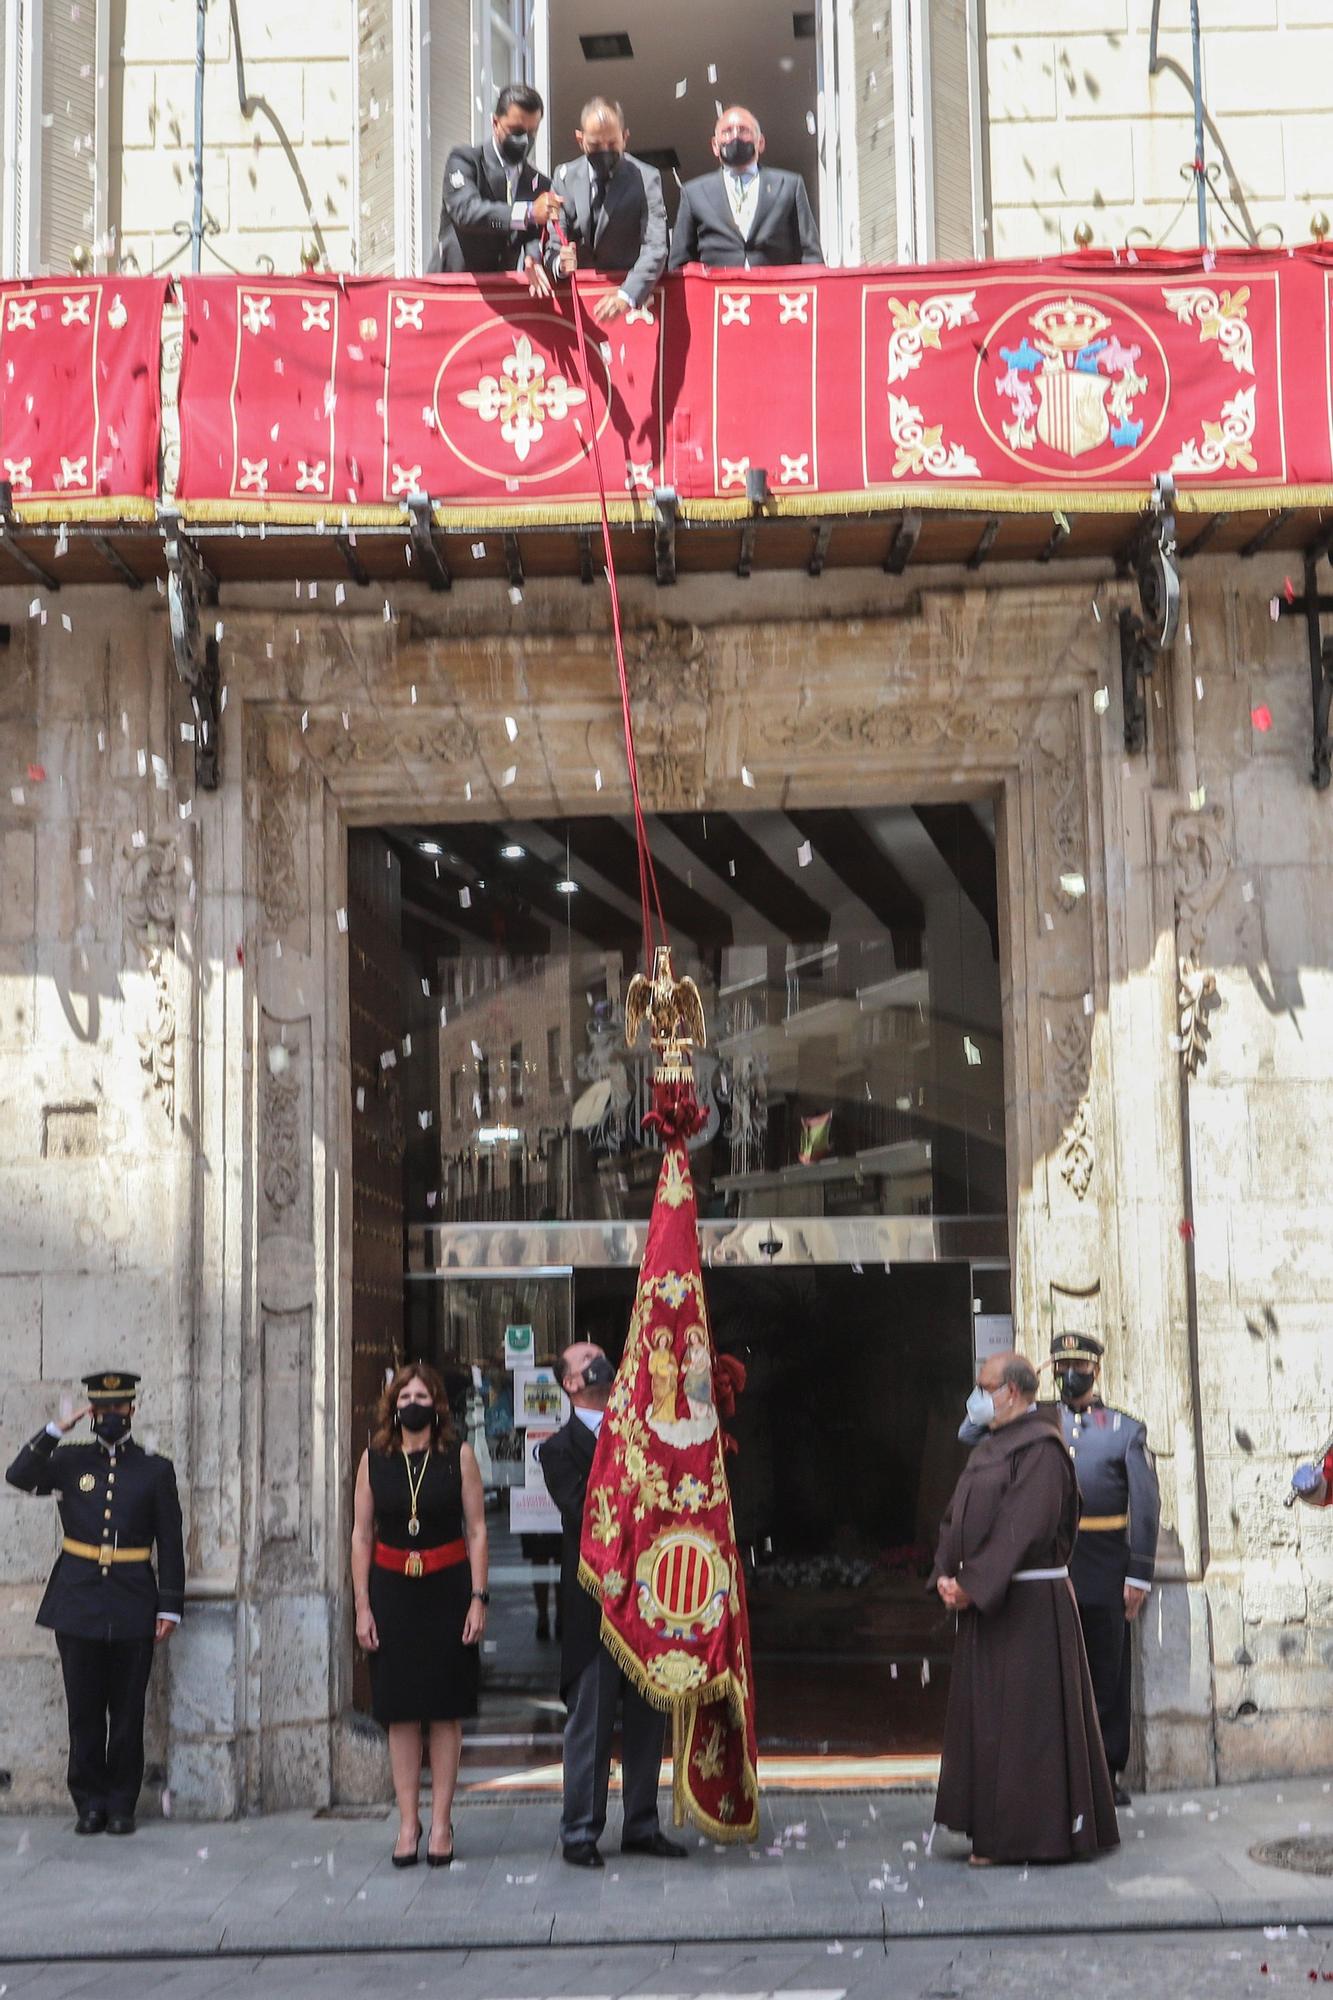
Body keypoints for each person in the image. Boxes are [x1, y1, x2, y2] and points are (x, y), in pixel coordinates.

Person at [932, 1351, 1120, 1866]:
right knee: (989, 1721)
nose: (977, 1395)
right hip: (989, 1603)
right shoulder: (992, 1445)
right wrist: (947, 1573)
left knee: (1024, 1728)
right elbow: (958, 1514)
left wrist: (974, 1584)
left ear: (1010, 1392)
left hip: (1030, 1609)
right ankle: (987, 1828)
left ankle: (1021, 1837)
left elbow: (1025, 1525)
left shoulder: (1042, 1449)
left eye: (984, 1385)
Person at [5, 1368, 184, 1835]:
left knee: (127, 1710)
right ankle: (88, 1802)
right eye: (101, 1409)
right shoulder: (68, 1460)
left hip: (132, 1599)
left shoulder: (154, 1468)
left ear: (132, 1410)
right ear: (91, 1412)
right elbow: (19, 1475)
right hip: (78, 1599)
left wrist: (169, 1605)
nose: (109, 1416)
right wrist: (56, 1428)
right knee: (83, 1710)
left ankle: (122, 1803)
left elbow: (170, 1539)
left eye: (117, 1408)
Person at [538, 1340, 687, 1868]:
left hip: (647, 1602)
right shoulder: (556, 1450)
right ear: (571, 1383)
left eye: (602, 1354)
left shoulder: (645, 1435)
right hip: (594, 1605)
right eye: (586, 1360)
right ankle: (580, 1829)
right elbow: (587, 1515)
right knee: (592, 1721)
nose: (600, 1363)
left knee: (649, 1718)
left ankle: (642, 1823)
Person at [351, 1361, 488, 1868]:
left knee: (445, 1709)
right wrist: (363, 1604)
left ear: (437, 1405)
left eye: (423, 1396)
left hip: (447, 1590)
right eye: (405, 1395)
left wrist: (479, 1597)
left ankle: (442, 1822)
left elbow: (476, 1530)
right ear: (392, 1404)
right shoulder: (374, 1458)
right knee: (400, 1710)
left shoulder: (459, 1456)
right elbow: (362, 1534)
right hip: (392, 1592)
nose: (414, 1403)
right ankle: (408, 1823)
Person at [1046, 1332, 1161, 1807]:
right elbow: (973, 1435)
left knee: (1106, 1674)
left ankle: (1106, 1771)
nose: (1070, 1373)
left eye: (1079, 1364)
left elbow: (1146, 1503)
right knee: (1050, 1671)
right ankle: (1054, 1773)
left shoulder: (1123, 1430)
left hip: (1103, 1562)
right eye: (1061, 1365)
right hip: (1051, 1563)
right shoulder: (1037, 1420)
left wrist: (1138, 1573)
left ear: (1095, 1370)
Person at [429, 83, 563, 289]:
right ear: (495, 122)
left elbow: (531, 234)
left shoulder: (538, 182)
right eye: (516, 131)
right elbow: (467, 213)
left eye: (531, 133)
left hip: (501, 292)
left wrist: (532, 256)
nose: (524, 141)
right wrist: (527, 212)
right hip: (454, 287)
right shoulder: (465, 161)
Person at [547, 97, 668, 323]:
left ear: (625, 138)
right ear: (580, 139)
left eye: (612, 144)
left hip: (626, 303)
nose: (604, 150)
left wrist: (627, 293)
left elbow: (656, 247)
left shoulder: (646, 178)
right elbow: (555, 242)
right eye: (595, 145)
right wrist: (560, 263)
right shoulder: (564, 177)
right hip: (577, 304)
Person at [668, 105, 822, 271]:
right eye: (727, 131)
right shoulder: (694, 193)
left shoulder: (789, 185)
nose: (735, 136)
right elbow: (680, 264)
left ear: (760, 142)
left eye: (743, 130)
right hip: (717, 293)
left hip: (774, 292)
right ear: (715, 145)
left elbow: (810, 254)